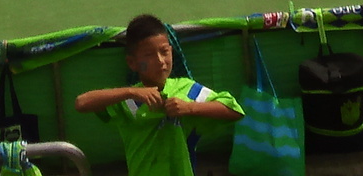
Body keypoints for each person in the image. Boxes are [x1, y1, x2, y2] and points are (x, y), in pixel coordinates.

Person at [76, 14, 242, 176]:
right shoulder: (128, 102)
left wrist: (190, 108)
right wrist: (131, 91)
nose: (160, 61)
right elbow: (82, 103)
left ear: (171, 51)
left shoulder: (188, 90)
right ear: (132, 63)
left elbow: (233, 111)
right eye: (149, 55)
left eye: (164, 52)